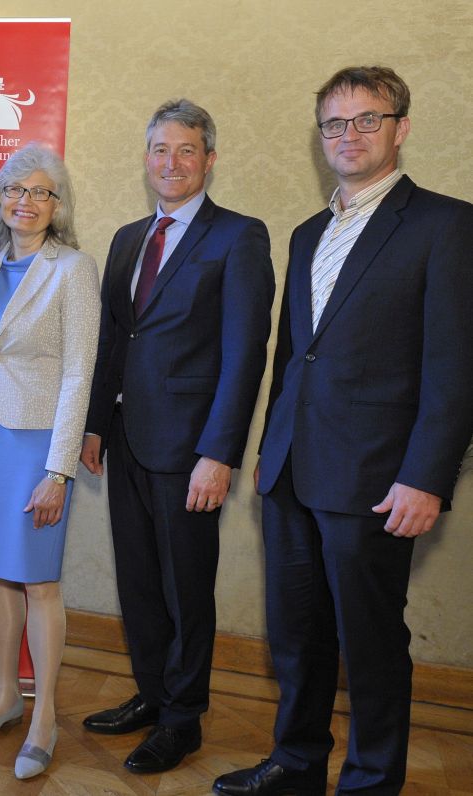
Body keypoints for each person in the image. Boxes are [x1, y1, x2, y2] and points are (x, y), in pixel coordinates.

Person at [214, 66, 473, 796]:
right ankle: (296, 767)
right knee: (296, 638)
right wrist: (268, 455)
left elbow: (456, 368)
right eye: (334, 123)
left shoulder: (448, 225)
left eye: (367, 119)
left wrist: (427, 475)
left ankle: (368, 782)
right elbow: (296, 356)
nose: (349, 135)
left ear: (401, 128)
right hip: (293, 472)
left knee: (371, 643)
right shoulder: (307, 233)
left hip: (379, 478)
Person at [81, 100, 275, 774]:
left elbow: (245, 353)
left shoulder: (238, 237)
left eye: (186, 149)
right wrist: (94, 426)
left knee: (185, 585)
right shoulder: (130, 237)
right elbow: (114, 337)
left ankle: (184, 719)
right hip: (127, 439)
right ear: (146, 159)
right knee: (138, 580)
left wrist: (219, 454)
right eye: (159, 149)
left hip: (191, 451)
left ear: (209, 159)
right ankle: (153, 694)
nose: (171, 162)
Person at [0, 143, 100, 780]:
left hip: (36, 444)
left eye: (39, 192)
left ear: (56, 207)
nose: (25, 202)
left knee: (39, 579)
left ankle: (45, 715)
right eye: (14, 189)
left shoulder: (74, 269)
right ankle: (6, 695)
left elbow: (79, 372)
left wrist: (58, 470)